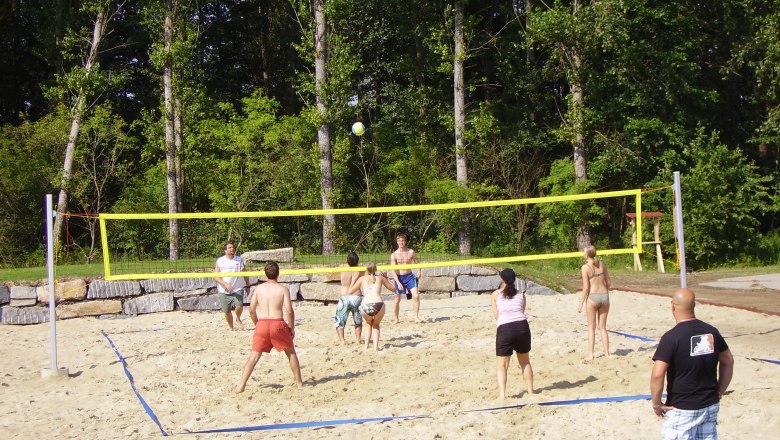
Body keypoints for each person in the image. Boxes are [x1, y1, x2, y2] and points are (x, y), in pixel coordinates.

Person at [650, 288, 734, 439]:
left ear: (673, 306)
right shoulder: (711, 332)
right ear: (694, 306)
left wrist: (656, 403)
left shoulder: (671, 337)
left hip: (682, 407)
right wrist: (719, 391)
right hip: (709, 404)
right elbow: (728, 361)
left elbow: (657, 374)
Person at [237, 261, 303, 392]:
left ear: (265, 274)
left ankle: (241, 385)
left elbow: (251, 310)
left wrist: (257, 324)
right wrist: (292, 327)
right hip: (277, 322)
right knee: (290, 353)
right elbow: (289, 311)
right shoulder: (282, 289)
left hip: (262, 323)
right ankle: (299, 383)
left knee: (254, 357)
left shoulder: (258, 289)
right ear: (278, 273)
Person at [491, 268, 534, 399]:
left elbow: (497, 316)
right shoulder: (521, 294)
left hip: (505, 327)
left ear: (503, 280)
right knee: (525, 362)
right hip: (522, 326)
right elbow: (521, 310)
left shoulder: (496, 294)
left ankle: (503, 395)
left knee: (502, 365)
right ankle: (531, 391)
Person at [349, 262, 396, 350]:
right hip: (378, 304)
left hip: (365, 305)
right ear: (376, 270)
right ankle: (375, 347)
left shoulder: (362, 279)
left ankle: (366, 346)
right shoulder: (381, 278)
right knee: (376, 325)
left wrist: (353, 280)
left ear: (366, 270)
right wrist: (387, 278)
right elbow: (393, 289)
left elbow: (350, 291)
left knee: (368, 324)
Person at [578, 245, 611, 360]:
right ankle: (607, 353)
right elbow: (609, 282)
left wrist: (581, 302)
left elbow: (586, 287)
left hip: (593, 297)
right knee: (603, 328)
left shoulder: (585, 267)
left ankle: (591, 354)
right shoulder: (602, 264)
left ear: (586, 254)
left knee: (591, 328)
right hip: (605, 296)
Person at [214, 242, 250, 330]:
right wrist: (225, 284)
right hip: (223, 289)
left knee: (239, 306)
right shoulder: (220, 261)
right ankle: (231, 327)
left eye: (232, 247)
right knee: (227, 311)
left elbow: (245, 274)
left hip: (237, 288)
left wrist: (248, 286)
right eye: (229, 248)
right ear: (225, 250)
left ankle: (238, 318)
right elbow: (216, 277)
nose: (232, 249)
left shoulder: (239, 260)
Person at [390, 233, 422, 323]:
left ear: (405, 241)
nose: (401, 242)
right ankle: (396, 319)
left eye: (403, 240)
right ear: (397, 242)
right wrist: (398, 282)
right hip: (399, 277)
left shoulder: (410, 252)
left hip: (409, 276)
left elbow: (417, 262)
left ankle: (416, 317)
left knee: (416, 296)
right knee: (397, 299)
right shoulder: (394, 255)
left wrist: (419, 270)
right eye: (399, 241)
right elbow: (393, 271)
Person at [334, 251, 363, 345]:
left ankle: (342, 340)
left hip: (344, 297)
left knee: (339, 321)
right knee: (358, 321)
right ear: (357, 262)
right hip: (356, 297)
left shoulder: (342, 267)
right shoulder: (361, 269)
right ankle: (358, 340)